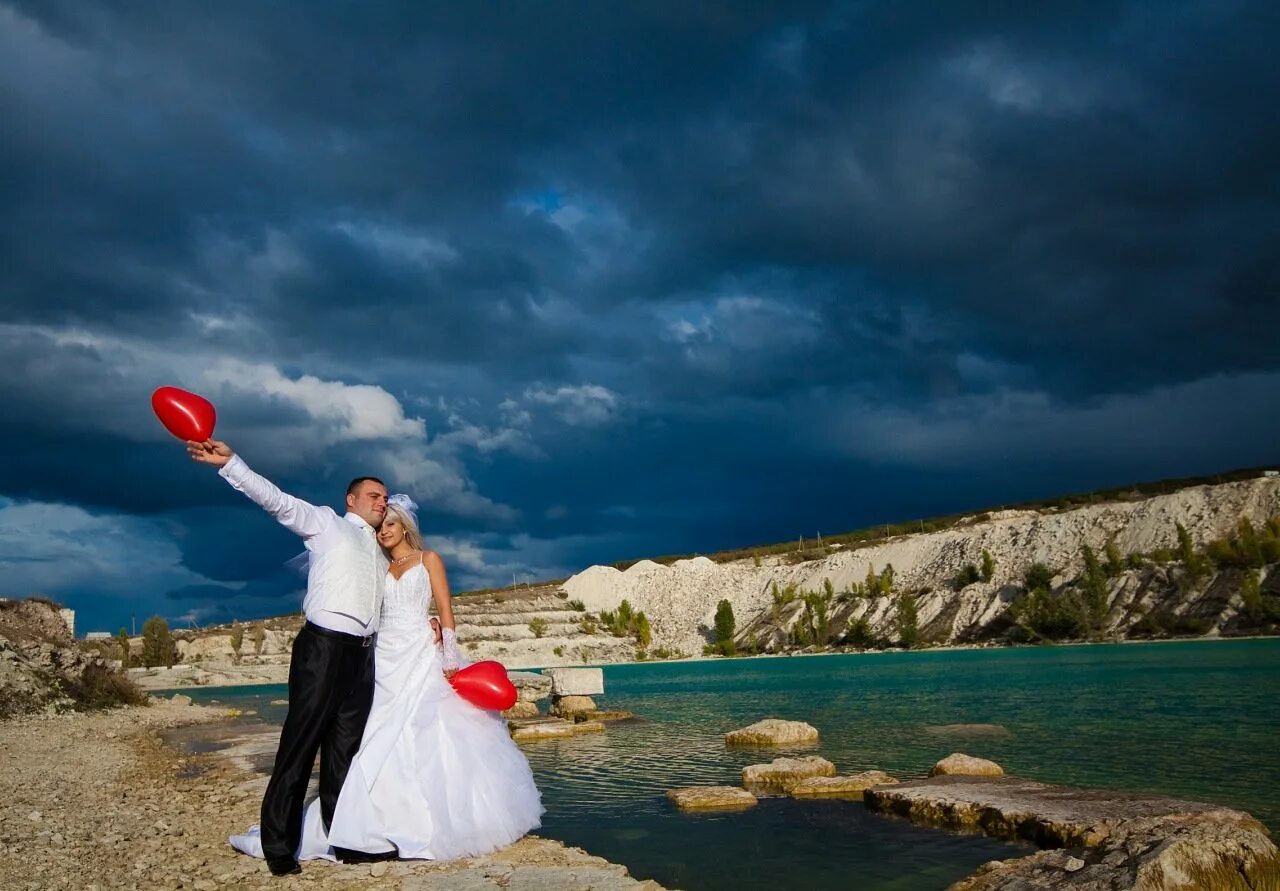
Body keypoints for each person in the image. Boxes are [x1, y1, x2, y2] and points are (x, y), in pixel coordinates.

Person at [229, 494, 543, 864]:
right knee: (373, 735)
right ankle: (359, 822)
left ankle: (430, 820)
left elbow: (445, 612)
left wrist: (449, 659)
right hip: (381, 656)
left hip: (419, 654)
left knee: (423, 730)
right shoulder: (376, 563)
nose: (384, 533)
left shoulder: (429, 560)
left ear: (405, 526)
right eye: (380, 528)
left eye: (390, 525)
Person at [187, 438, 388, 876]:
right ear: (351, 500)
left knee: (344, 754)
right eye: (374, 495)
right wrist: (231, 464)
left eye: (386, 498)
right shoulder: (326, 524)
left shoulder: (381, 548)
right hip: (323, 648)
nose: (382, 502)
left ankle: (345, 841)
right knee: (298, 747)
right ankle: (279, 847)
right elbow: (276, 501)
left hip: (364, 657)